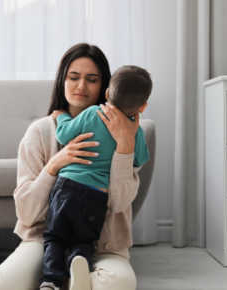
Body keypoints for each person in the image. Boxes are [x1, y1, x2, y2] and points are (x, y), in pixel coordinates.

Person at [0, 43, 147, 290]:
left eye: (92, 79)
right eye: (73, 77)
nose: (81, 86)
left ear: (106, 87)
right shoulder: (40, 131)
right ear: (62, 80)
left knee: (120, 284)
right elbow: (27, 213)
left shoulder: (128, 132)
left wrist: (124, 147)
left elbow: (120, 203)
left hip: (103, 243)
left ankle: (61, 279)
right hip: (45, 242)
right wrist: (55, 165)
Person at [39, 65, 152, 290]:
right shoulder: (133, 131)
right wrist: (130, 137)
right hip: (98, 196)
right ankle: (78, 264)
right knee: (84, 240)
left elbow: (63, 133)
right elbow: (140, 159)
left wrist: (61, 117)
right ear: (143, 106)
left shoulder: (92, 113)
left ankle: (50, 281)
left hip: (68, 187)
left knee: (55, 238)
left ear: (108, 93)